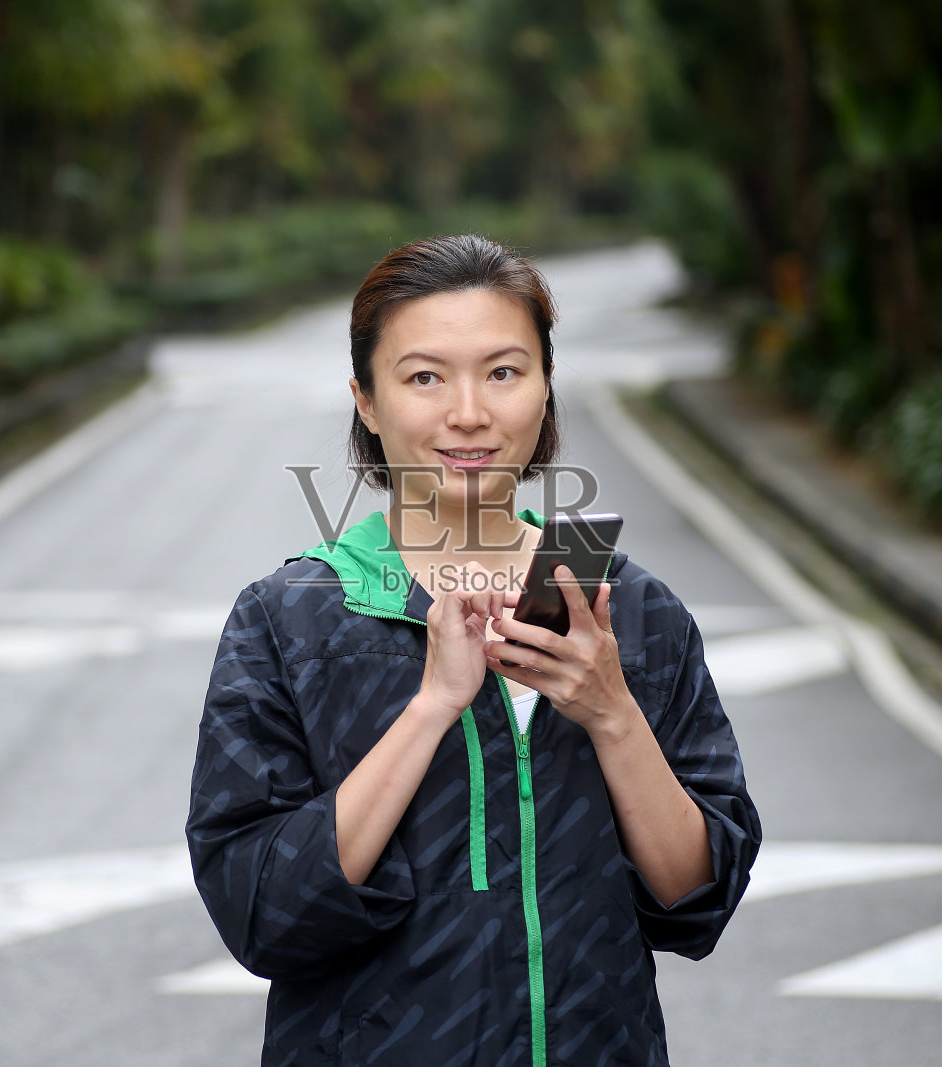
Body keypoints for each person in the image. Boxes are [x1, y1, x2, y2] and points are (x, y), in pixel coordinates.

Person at [187, 234, 761, 1067]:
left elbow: (695, 897)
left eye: (503, 371)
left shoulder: (625, 608)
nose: (469, 412)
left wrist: (611, 713)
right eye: (425, 376)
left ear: (545, 389)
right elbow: (263, 911)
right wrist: (430, 708)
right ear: (367, 400)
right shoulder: (291, 622)